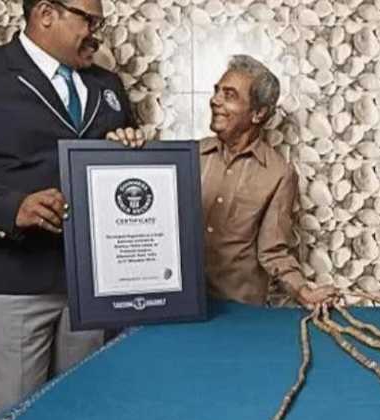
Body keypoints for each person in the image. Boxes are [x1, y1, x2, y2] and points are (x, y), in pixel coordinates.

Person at [0, 0, 143, 418]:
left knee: (87, 417)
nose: (96, 33)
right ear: (46, 14)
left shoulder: (107, 84)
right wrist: (10, 207)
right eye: (89, 20)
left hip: (91, 287)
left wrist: (128, 149)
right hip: (12, 281)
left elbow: (119, 180)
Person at [111, 55, 334, 309]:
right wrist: (119, 151)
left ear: (258, 113)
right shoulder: (188, 157)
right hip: (180, 304)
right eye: (217, 91)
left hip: (239, 309)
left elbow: (273, 251)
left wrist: (302, 291)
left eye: (229, 95)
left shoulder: (279, 174)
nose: (215, 100)